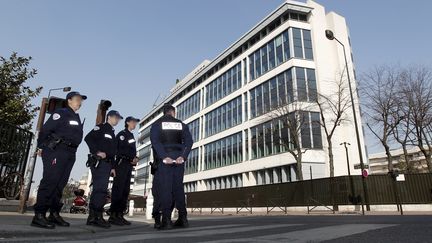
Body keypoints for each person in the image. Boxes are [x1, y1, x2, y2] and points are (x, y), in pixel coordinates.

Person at [31, 91, 87, 229]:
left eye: (81, 100)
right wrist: (41, 147)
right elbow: (45, 130)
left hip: (70, 152)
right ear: (69, 100)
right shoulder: (61, 113)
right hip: (56, 150)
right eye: (78, 99)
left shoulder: (76, 117)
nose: (80, 102)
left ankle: (54, 213)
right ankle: (39, 215)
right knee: (50, 181)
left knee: (60, 184)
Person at [150, 103, 193, 230]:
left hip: (165, 161)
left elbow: (155, 141)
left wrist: (164, 156)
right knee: (178, 189)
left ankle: (167, 220)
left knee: (165, 189)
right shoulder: (181, 124)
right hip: (178, 160)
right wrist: (182, 157)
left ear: (164, 112)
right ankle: (183, 218)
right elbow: (189, 141)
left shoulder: (157, 124)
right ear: (173, 112)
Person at [84, 110, 122, 228]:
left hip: (107, 164)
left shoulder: (112, 132)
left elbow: (112, 153)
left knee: (101, 190)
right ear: (109, 117)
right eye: (116, 117)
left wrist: (113, 167)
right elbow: (88, 138)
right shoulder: (101, 127)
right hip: (99, 163)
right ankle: (96, 217)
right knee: (100, 190)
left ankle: (94, 217)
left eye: (118, 118)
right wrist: (97, 152)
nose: (117, 120)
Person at [108, 116, 140, 226]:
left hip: (128, 165)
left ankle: (120, 215)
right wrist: (113, 166)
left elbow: (131, 150)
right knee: (118, 190)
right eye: (133, 122)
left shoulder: (131, 135)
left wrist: (135, 158)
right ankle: (113, 215)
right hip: (121, 164)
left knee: (125, 191)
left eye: (135, 122)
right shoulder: (122, 134)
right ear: (127, 122)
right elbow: (117, 149)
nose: (134, 124)